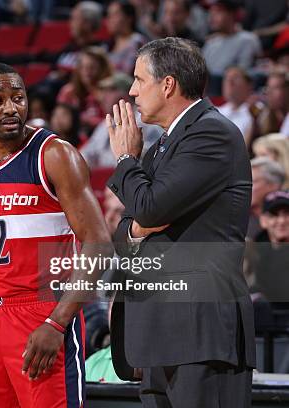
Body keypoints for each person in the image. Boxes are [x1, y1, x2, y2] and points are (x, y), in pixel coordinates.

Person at [105, 37, 255, 406]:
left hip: (199, 332)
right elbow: (126, 232)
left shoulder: (210, 133)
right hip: (159, 334)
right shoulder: (162, 146)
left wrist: (126, 160)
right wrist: (138, 226)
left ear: (167, 84)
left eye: (140, 80)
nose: (132, 91)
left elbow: (150, 208)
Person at [0, 63, 111, 407]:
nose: (11, 108)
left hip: (41, 311)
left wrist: (57, 323)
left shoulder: (55, 154)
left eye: (18, 98)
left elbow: (99, 244)